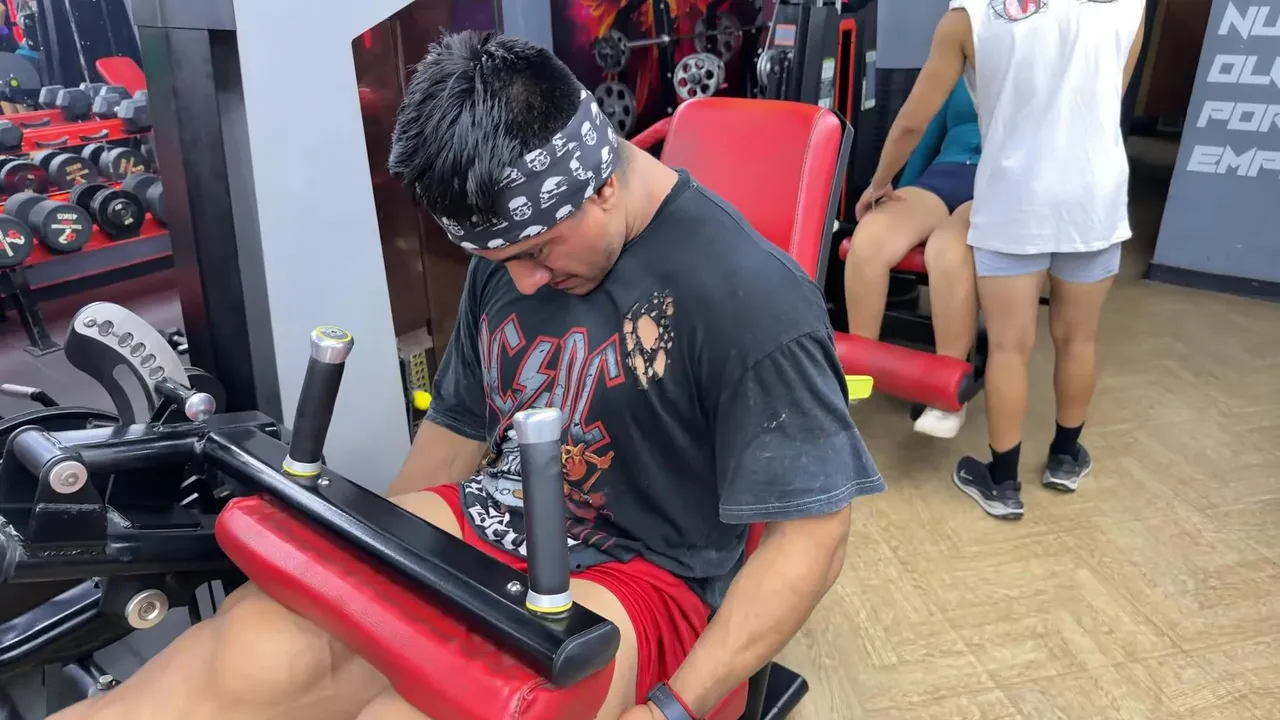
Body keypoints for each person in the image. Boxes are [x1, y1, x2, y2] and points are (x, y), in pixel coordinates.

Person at [54, 30, 884, 720]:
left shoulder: (750, 298)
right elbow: (456, 426)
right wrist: (373, 564)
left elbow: (814, 537)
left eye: (537, 252)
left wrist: (676, 708)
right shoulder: (514, 255)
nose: (520, 281)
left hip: (642, 573)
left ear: (602, 184)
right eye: (500, 259)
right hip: (493, 515)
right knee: (263, 644)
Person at [858, 0, 1145, 520]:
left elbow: (912, 123)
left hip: (1014, 197)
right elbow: (1108, 98)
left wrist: (879, 182)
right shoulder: (1128, 4)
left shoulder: (968, 16)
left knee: (1010, 348)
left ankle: (1003, 482)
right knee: (1079, 338)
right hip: (1093, 197)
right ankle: (1065, 460)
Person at [846, 78, 980, 439]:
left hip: (996, 182)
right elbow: (924, 134)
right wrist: (897, 188)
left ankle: (947, 393)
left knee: (947, 250)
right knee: (870, 237)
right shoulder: (956, 72)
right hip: (940, 177)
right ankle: (856, 371)